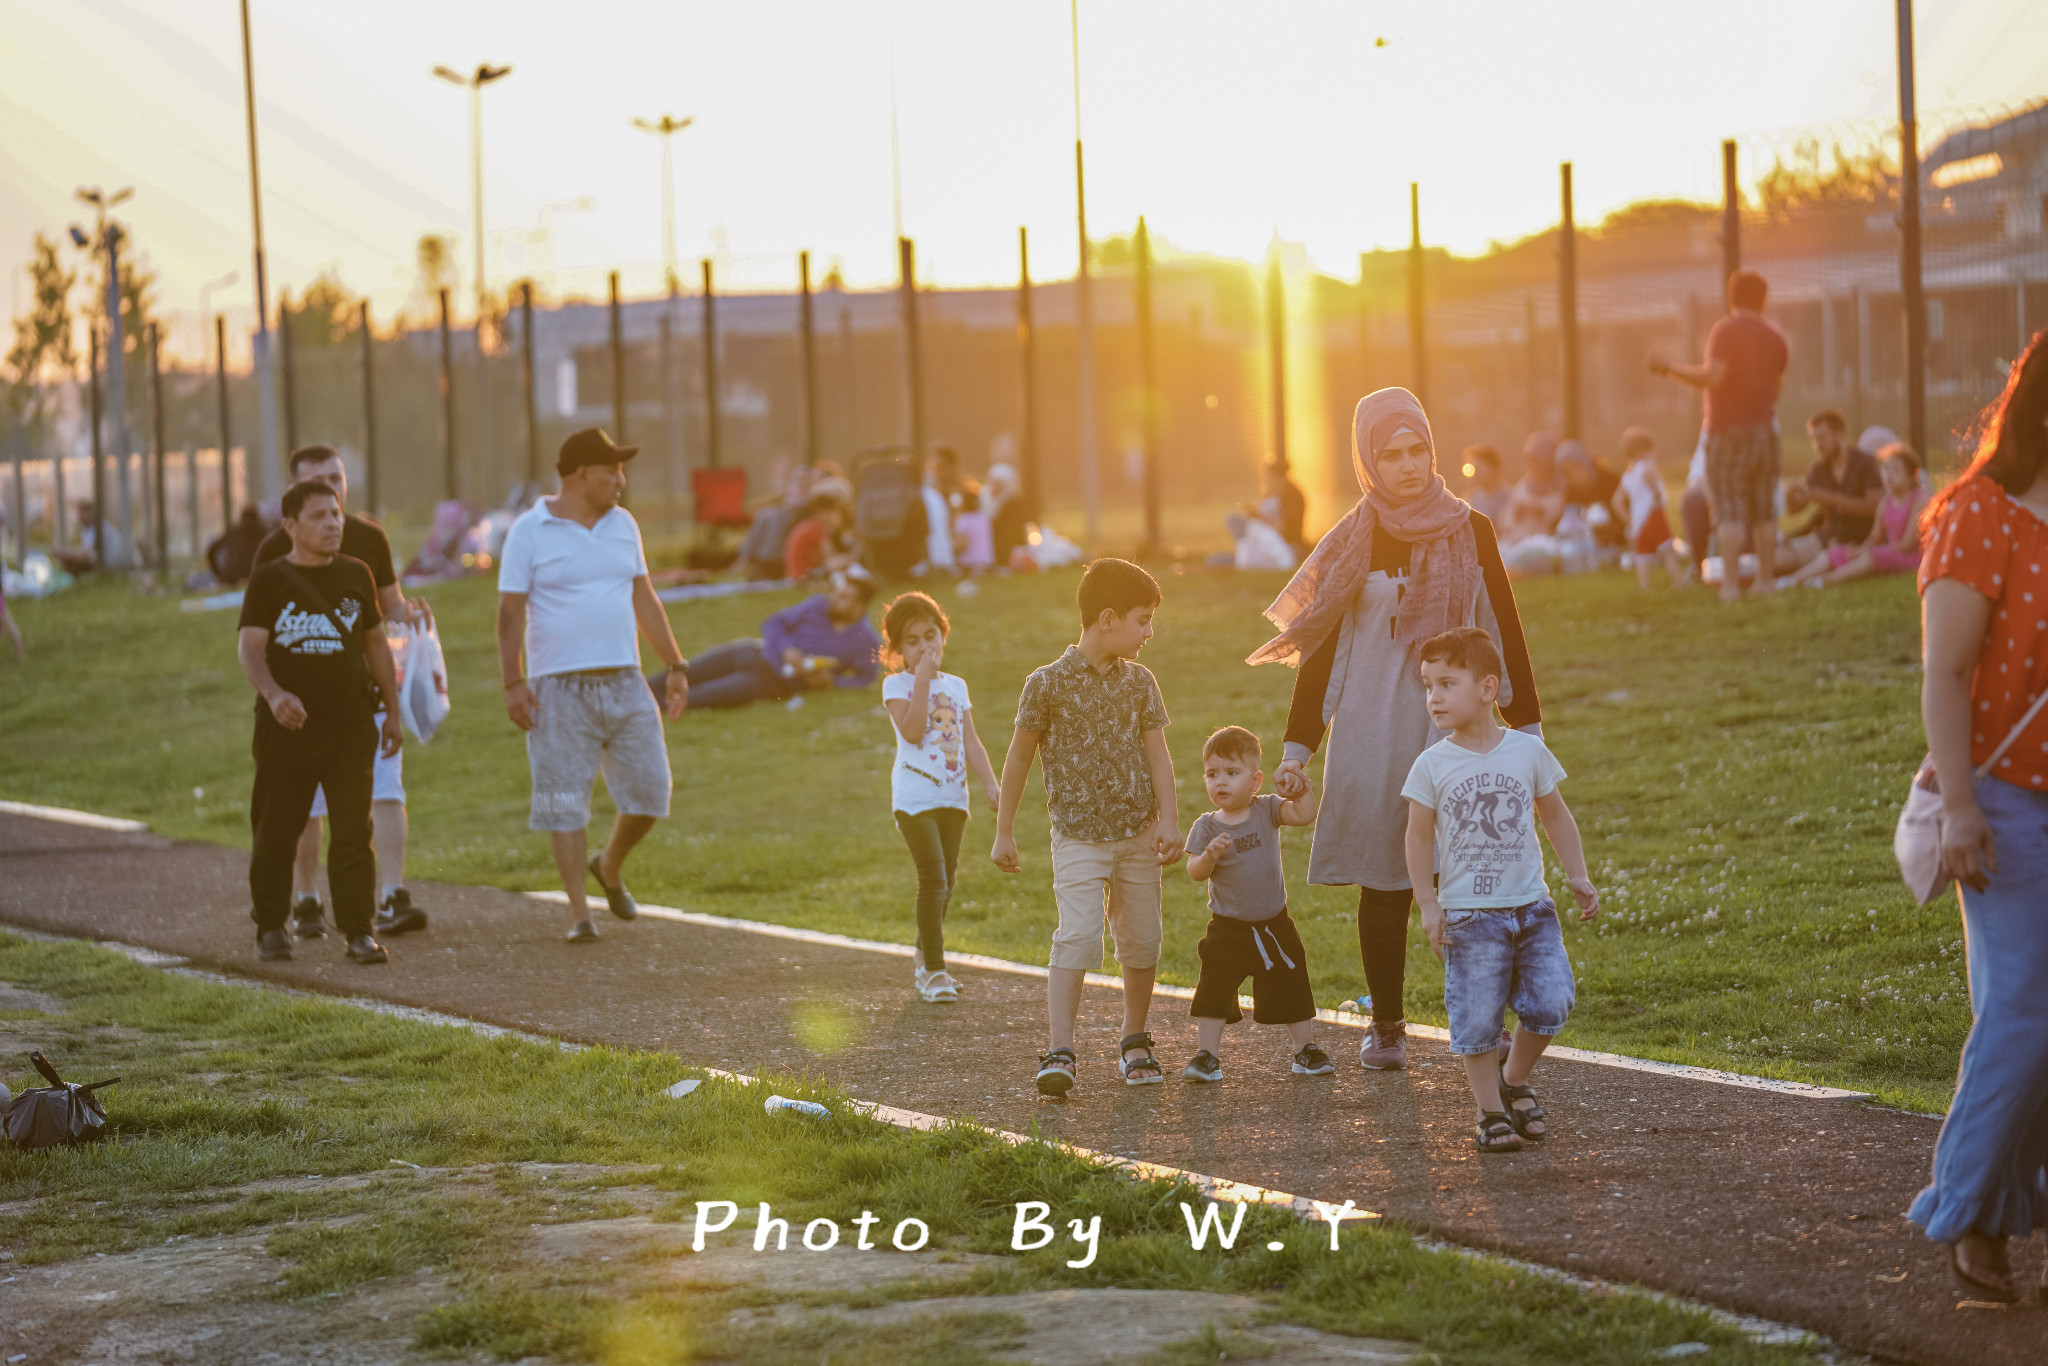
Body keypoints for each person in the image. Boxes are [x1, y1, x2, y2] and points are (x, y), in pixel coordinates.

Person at [1253, 387, 1543, 1072]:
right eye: (1392, 454)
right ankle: (1386, 1025)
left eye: (1418, 450)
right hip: (1373, 731)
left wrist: (1526, 731)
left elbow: (1503, 631)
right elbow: (1320, 651)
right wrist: (1298, 749)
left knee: (1474, 887)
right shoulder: (1352, 539)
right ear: (1368, 460)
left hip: (1458, 735)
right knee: (1385, 884)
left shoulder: (1470, 528)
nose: (1408, 466)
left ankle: (1483, 1022)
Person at [1908, 331, 2048, 1304]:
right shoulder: (1980, 516)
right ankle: (1960, 1207)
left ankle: (1995, 1219)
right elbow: (1944, 673)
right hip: (2000, 802)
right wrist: (1958, 807)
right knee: (2022, 1014)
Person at [1401, 627, 1598, 1153]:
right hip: (1469, 916)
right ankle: (1490, 1112)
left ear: (1488, 688)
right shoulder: (1432, 764)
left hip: (1532, 908)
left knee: (1552, 1003)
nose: (1434, 697)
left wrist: (1577, 874)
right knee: (1478, 1019)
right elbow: (1418, 838)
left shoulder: (1526, 751)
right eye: (1428, 685)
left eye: (1447, 683)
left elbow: (1555, 815)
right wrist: (1427, 903)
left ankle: (1514, 1080)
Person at [992, 558, 1180, 1096]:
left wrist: (1168, 820)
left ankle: (1134, 1037)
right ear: (1107, 618)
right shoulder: (1046, 684)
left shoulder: (1141, 683)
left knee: (1142, 941)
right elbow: (1019, 760)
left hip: (1139, 836)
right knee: (1076, 936)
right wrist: (1005, 831)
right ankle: (1060, 1049)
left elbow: (1159, 758)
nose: (1148, 632)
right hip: (1076, 836)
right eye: (1142, 620)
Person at [496, 428, 689, 944]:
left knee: (651, 791)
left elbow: (644, 598)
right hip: (556, 688)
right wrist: (513, 681)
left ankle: (610, 864)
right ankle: (580, 914)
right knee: (563, 800)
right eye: (613, 470)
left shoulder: (623, 525)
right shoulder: (529, 531)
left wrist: (675, 664)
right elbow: (509, 613)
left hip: (625, 680)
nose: (621, 481)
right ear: (584, 473)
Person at [254, 446, 432, 940]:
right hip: (302, 705)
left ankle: (390, 897)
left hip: (365, 696)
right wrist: (275, 694)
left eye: (338, 480)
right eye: (320, 483)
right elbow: (259, 631)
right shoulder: (272, 552)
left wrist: (410, 621)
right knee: (306, 808)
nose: (333, 492)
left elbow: (387, 609)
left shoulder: (368, 540)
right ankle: (307, 899)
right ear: (294, 504)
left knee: (383, 793)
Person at [236, 479, 404, 966]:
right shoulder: (268, 580)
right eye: (319, 516)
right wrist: (274, 695)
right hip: (287, 728)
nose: (334, 524)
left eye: (337, 514)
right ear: (290, 526)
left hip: (351, 725)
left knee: (354, 830)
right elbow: (250, 647)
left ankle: (359, 931)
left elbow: (375, 643)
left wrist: (391, 710)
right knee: (276, 829)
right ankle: (271, 925)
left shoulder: (357, 573)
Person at [1180, 726, 1330, 1083]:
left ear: (1255, 779)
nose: (1221, 782)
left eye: (1232, 773)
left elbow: (1303, 815)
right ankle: (1207, 1056)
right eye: (1212, 774)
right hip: (1228, 928)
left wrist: (1304, 790)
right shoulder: (1205, 827)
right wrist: (1210, 857)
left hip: (1273, 924)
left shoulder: (1267, 809)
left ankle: (1304, 1051)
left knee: (1292, 982)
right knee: (1214, 989)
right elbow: (1193, 872)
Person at [880, 592, 1001, 1003]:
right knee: (932, 879)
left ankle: (923, 956)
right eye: (912, 641)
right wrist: (921, 681)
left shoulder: (957, 687)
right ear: (898, 650)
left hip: (953, 796)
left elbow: (970, 741)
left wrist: (991, 784)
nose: (924, 646)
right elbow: (912, 732)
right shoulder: (896, 685)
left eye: (930, 635)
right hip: (914, 798)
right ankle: (934, 970)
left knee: (946, 881)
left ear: (943, 635)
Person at [1649, 269, 1789, 602]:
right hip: (1766, 429)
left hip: (1727, 430)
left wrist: (1668, 369)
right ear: (1764, 299)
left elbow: (1714, 377)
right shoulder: (1775, 337)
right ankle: (1766, 582)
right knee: (1763, 508)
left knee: (1728, 507)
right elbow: (1776, 390)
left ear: (1731, 296)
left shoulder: (1726, 330)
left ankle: (1728, 586)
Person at [677, 567, 881, 709]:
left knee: (694, 697)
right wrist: (788, 648)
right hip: (753, 651)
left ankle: (655, 707)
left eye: (843, 597)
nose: (834, 599)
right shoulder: (818, 605)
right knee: (682, 671)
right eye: (836, 593)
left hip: (772, 680)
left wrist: (831, 682)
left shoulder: (866, 641)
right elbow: (773, 622)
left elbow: (865, 679)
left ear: (859, 606)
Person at [1779, 444, 1928, 588]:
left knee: (1871, 556)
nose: (1889, 475)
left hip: (1910, 558)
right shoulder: (1885, 502)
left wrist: (1868, 551)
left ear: (1911, 476)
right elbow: (1874, 538)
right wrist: (1859, 550)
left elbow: (1907, 545)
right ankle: (1792, 580)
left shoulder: (1918, 501)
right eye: (1887, 469)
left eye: (1896, 470)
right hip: (1887, 551)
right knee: (1837, 552)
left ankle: (1826, 580)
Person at [1783, 409, 1883, 552]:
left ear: (1840, 433)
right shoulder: (1818, 470)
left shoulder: (1866, 463)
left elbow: (1874, 507)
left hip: (1861, 539)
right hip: (1828, 537)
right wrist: (1792, 496)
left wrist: (1828, 497)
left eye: (1822, 437)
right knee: (1779, 549)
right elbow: (1794, 512)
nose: (1818, 444)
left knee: (1784, 556)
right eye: (1813, 439)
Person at [1612, 428, 1688, 589]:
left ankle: (1645, 587)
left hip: (1638, 520)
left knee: (1643, 555)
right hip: (1654, 513)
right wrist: (1658, 495)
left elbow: (1616, 502)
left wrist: (1629, 520)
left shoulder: (1627, 475)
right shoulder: (1647, 466)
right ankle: (1678, 583)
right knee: (1667, 551)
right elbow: (1651, 480)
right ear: (1644, 450)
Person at [782, 494, 849, 581]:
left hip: (796, 575)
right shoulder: (817, 528)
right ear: (826, 513)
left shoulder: (809, 525)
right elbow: (831, 560)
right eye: (837, 512)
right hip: (803, 577)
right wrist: (854, 556)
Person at [208, 505, 269, 587]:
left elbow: (211, 552)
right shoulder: (261, 533)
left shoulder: (233, 532)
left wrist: (219, 574)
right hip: (247, 576)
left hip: (233, 578)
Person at [1464, 445, 1512, 525]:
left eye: (1478, 469)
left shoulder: (1509, 497)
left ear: (1493, 469)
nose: (1474, 474)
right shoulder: (1474, 497)